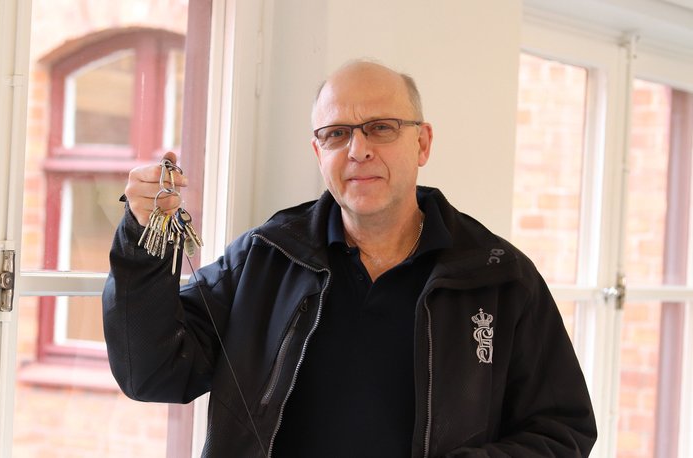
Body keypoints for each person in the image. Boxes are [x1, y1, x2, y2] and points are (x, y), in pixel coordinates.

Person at [103, 60, 597, 457]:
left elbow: (562, 430)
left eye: (381, 128)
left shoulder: (499, 276)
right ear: (318, 152)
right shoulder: (265, 257)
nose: (358, 150)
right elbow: (153, 372)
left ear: (422, 143)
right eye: (336, 133)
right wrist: (142, 237)